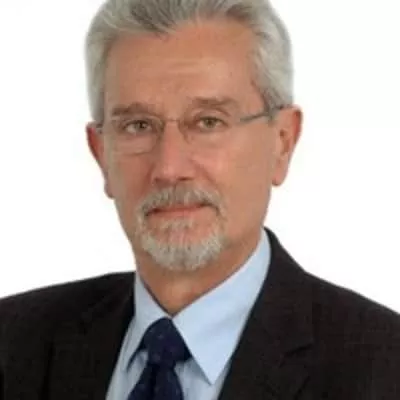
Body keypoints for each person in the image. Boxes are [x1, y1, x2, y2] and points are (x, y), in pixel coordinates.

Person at [1, 0, 399, 398]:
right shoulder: (12, 343)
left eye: (208, 122)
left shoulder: (384, 368)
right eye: (138, 126)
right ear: (101, 153)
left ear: (282, 142)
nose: (169, 167)